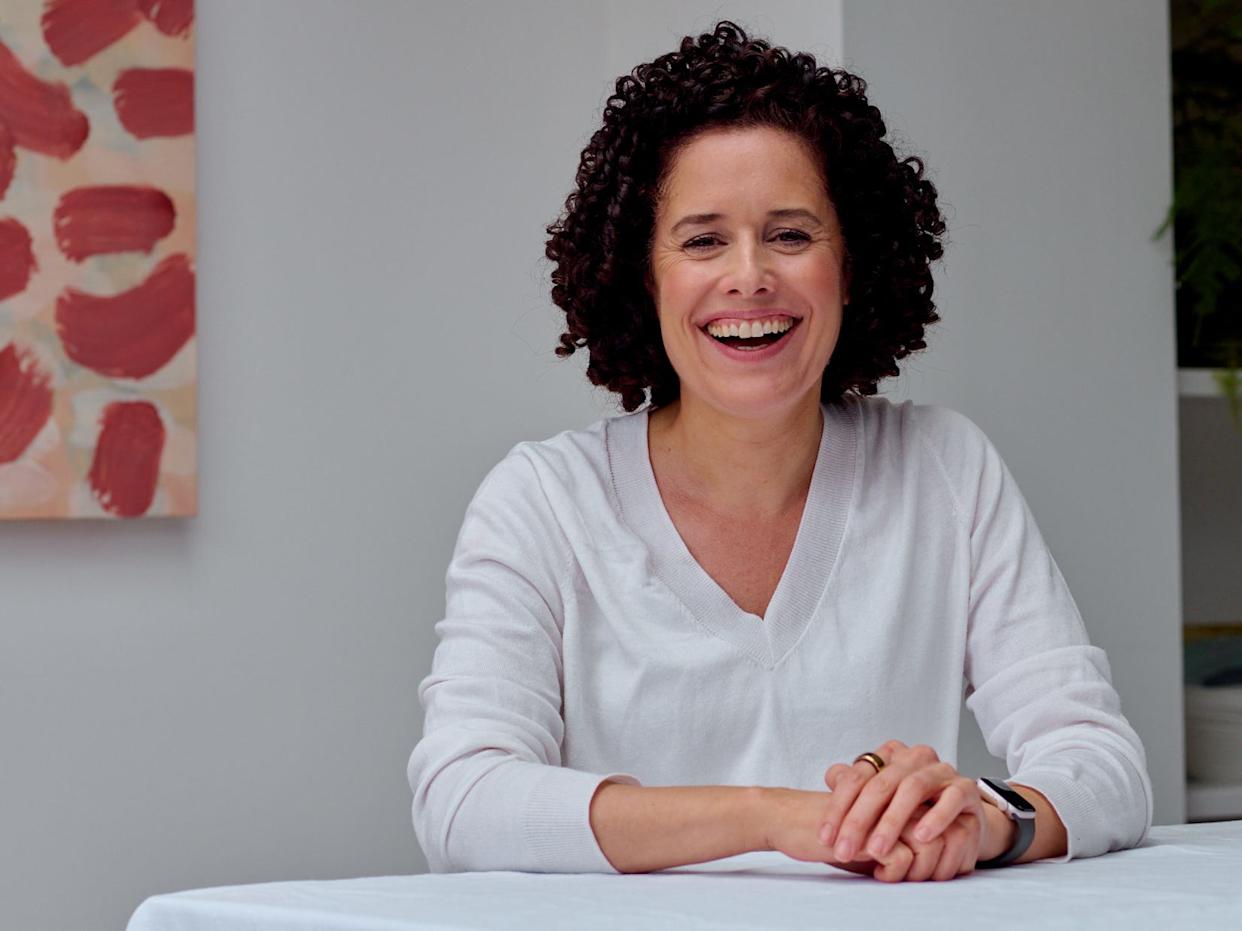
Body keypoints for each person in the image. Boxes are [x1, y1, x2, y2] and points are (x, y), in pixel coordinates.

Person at [407, 20, 1152, 882]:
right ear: (642, 276)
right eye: (702, 239)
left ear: (854, 264)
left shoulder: (944, 468)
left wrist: (982, 818)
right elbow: (461, 802)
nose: (751, 275)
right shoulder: (542, 500)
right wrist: (775, 817)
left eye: (792, 234)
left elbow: (1103, 763)